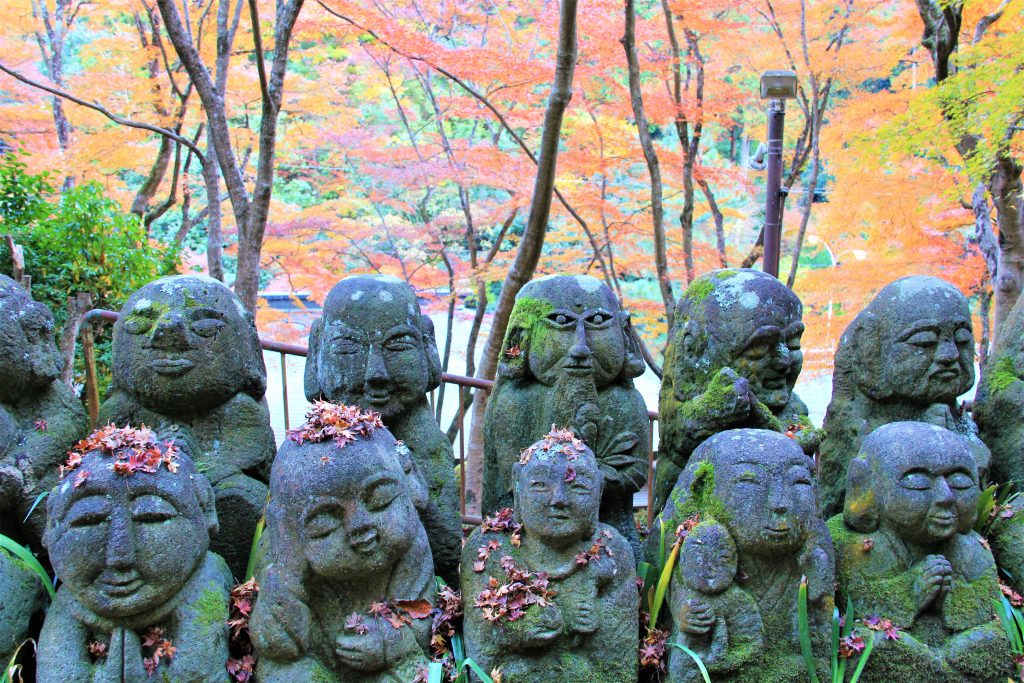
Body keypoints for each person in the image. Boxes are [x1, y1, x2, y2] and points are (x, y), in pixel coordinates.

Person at [99, 275, 276, 578]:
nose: (169, 334)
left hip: (218, 498)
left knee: (243, 497)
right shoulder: (122, 409)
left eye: (205, 326)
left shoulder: (240, 409)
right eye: (141, 324)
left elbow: (251, 455)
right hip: (134, 518)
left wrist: (191, 460)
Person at [250, 401, 434, 683]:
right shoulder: (281, 559)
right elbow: (278, 648)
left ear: (410, 482)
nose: (359, 526)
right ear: (287, 528)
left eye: (380, 499)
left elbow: (420, 622)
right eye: (325, 521)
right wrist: (288, 577)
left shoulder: (413, 550)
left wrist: (392, 643)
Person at [38, 425, 232, 682]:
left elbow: (198, 673)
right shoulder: (71, 602)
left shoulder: (207, 580)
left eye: (153, 517)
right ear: (51, 525)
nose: (119, 556)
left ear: (204, 508)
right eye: (88, 520)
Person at [305, 275, 461, 583]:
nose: (376, 373)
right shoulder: (307, 453)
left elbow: (446, 553)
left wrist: (421, 502)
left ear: (425, 343)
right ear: (318, 347)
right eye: (348, 349)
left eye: (398, 346)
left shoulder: (427, 447)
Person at [829, 422, 1012, 682]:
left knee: (992, 641)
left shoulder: (973, 549)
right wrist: (911, 590)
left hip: (960, 652)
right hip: (897, 654)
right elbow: (858, 612)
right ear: (868, 485)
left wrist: (948, 597)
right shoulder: (849, 544)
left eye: (960, 482)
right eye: (918, 482)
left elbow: (986, 615)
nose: (946, 496)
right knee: (873, 645)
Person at [483, 275, 648, 551]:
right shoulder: (515, 401)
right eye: (561, 323)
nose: (581, 347)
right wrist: (579, 478)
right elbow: (511, 479)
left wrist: (594, 479)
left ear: (623, 331)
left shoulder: (625, 400)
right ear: (521, 336)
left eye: (597, 323)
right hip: (525, 537)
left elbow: (636, 470)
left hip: (605, 529)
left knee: (621, 552)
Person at [463, 428, 638, 682]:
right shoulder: (488, 551)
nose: (558, 499)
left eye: (578, 487)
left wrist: (592, 622)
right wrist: (519, 631)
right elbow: (483, 663)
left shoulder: (613, 553)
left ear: (598, 493)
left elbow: (619, 670)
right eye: (540, 485)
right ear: (518, 485)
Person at [655, 269, 816, 513]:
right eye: (760, 349)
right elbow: (679, 435)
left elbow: (800, 437)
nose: (783, 360)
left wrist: (761, 415)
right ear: (694, 350)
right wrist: (710, 412)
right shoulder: (680, 399)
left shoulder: (792, 408)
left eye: (792, 344)